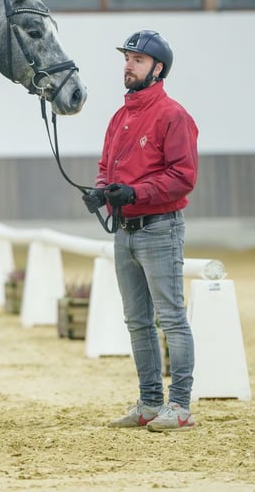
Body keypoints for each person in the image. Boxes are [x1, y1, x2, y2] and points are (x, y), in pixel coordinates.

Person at [83, 30, 199, 432]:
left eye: (137, 60)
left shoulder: (173, 116)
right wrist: (102, 193)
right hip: (125, 231)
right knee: (137, 320)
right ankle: (150, 402)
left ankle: (180, 405)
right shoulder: (120, 116)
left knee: (171, 318)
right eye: (127, 59)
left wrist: (135, 192)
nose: (128, 66)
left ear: (158, 68)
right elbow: (106, 166)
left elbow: (183, 177)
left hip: (159, 228)